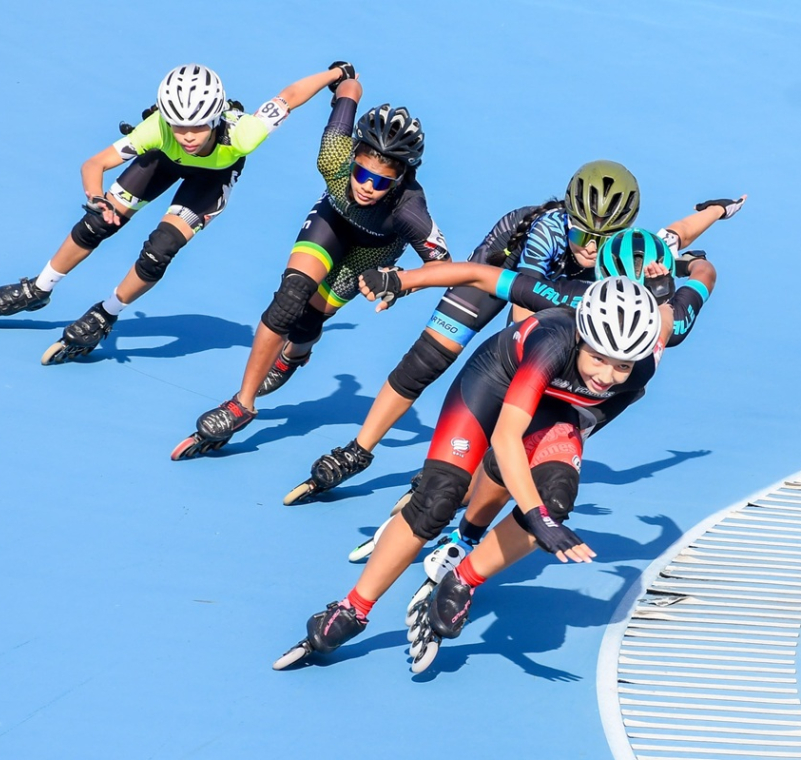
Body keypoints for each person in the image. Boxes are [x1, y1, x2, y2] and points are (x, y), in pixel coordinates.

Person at [283, 157, 744, 501]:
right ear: (569, 217)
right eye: (582, 234)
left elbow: (677, 233)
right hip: (498, 270)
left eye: (602, 240)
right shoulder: (546, 230)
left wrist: (716, 211)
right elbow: (521, 317)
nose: (590, 247)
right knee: (429, 360)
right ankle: (359, 449)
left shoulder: (626, 247)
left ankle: (457, 462)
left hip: (561, 293)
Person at [273, 276, 669, 672]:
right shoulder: (553, 343)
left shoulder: (640, 370)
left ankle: (461, 579)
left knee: (556, 501)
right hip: (494, 381)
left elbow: (673, 314)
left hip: (561, 407)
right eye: (598, 357)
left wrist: (543, 508)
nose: (606, 375)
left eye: (622, 365)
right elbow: (506, 433)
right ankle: (351, 609)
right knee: (437, 500)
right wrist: (403, 280)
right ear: (582, 339)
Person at [0, 62, 352, 364]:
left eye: (196, 127)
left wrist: (336, 73)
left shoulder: (244, 133)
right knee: (98, 223)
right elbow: (93, 164)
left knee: (160, 248)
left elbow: (290, 95)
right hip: (162, 161)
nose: (188, 136)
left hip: (212, 178)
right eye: (179, 126)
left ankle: (106, 313)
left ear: (215, 118)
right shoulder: (158, 131)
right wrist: (96, 197)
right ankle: (39, 288)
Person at [171, 75, 451, 460]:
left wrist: (399, 283)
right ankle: (242, 404)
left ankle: (295, 355)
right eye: (362, 174)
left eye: (381, 182)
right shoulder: (333, 154)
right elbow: (350, 91)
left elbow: (444, 267)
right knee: (289, 299)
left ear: (401, 180)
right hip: (332, 222)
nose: (368, 187)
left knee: (308, 321)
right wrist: (344, 76)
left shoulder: (411, 211)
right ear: (351, 158)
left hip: (370, 254)